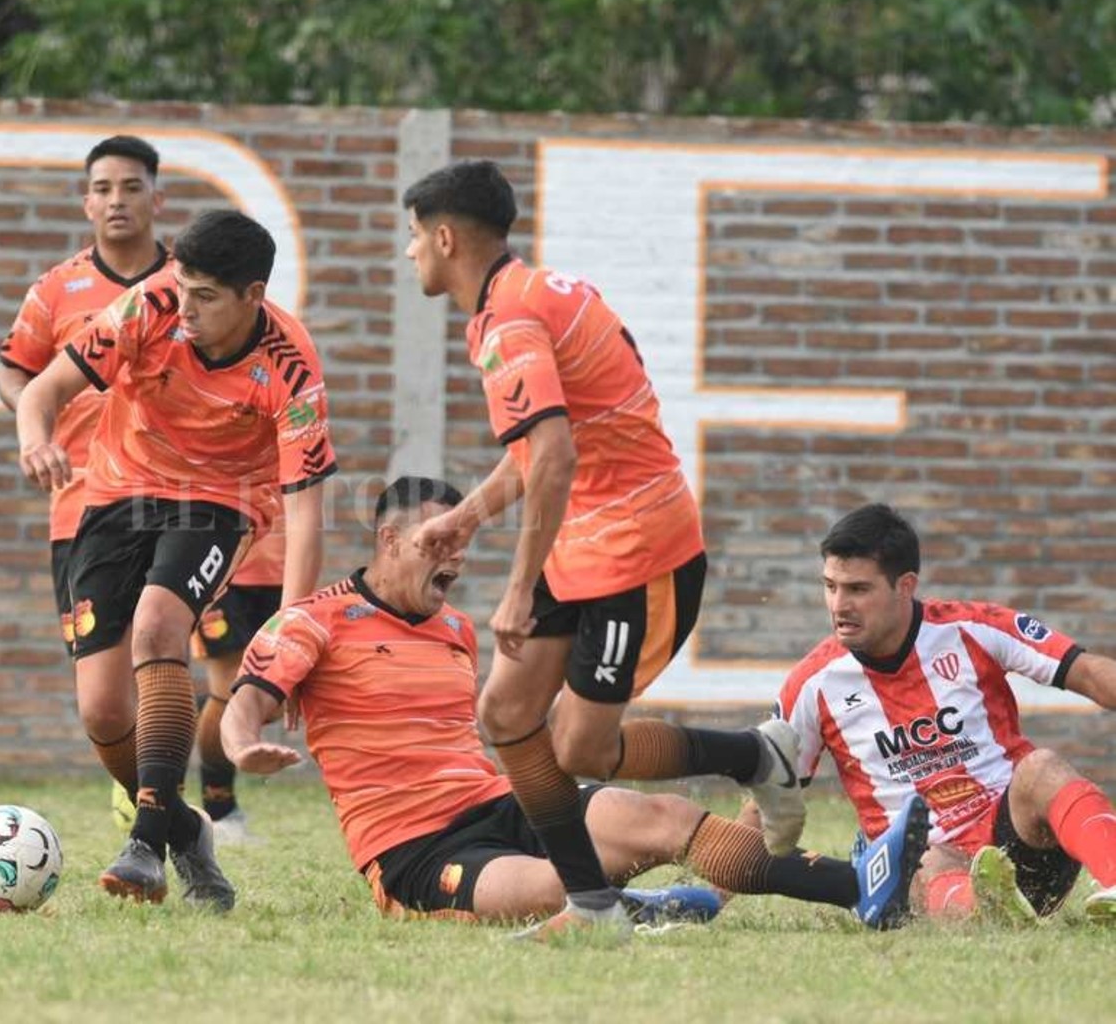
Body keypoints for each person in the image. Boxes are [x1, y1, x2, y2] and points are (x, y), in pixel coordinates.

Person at [220, 476, 930, 937]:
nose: (456, 557)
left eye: (461, 542)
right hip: (412, 849)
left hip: (502, 802)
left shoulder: (456, 629)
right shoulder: (315, 620)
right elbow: (243, 703)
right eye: (438, 541)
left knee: (660, 816)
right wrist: (244, 741)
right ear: (387, 540)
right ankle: (642, 910)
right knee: (559, 888)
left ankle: (861, 888)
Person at [399, 159, 804, 936]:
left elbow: (553, 456)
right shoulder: (530, 293)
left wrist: (515, 587)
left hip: (636, 553)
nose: (410, 252)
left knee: (580, 744)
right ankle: (591, 904)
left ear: (445, 236)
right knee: (507, 710)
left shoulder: (506, 320)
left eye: (413, 237)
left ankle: (756, 756)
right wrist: (472, 515)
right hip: (583, 543)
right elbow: (552, 441)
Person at [16, 208, 336, 911]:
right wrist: (34, 438)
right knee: (102, 709)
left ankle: (144, 841)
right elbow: (42, 391)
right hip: (115, 492)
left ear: (253, 296)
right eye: (181, 286)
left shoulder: (291, 364)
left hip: (219, 502)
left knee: (160, 625)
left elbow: (307, 513)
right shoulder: (149, 303)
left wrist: (288, 641)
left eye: (205, 296)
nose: (183, 307)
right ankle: (185, 829)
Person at [776, 502, 1116, 926]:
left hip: (1021, 845)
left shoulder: (972, 628)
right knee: (924, 858)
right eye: (830, 586)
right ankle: (989, 915)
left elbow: (1089, 674)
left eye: (858, 590)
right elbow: (768, 805)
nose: (839, 605)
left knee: (1041, 767)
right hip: (925, 871)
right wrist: (712, 894)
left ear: (905, 585)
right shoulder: (812, 685)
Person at [0, 134, 170, 813]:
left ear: (157, 198)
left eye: (130, 187)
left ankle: (170, 805)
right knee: (103, 701)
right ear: (85, 202)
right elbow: (14, 373)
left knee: (162, 648)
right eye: (102, 188)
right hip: (83, 505)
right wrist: (35, 428)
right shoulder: (57, 288)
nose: (116, 200)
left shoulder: (192, 282)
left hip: (174, 498)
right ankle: (145, 792)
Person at [191, 504, 284, 844]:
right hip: (218, 562)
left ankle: (160, 725)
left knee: (270, 703)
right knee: (229, 692)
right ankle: (220, 812)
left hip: (282, 568)